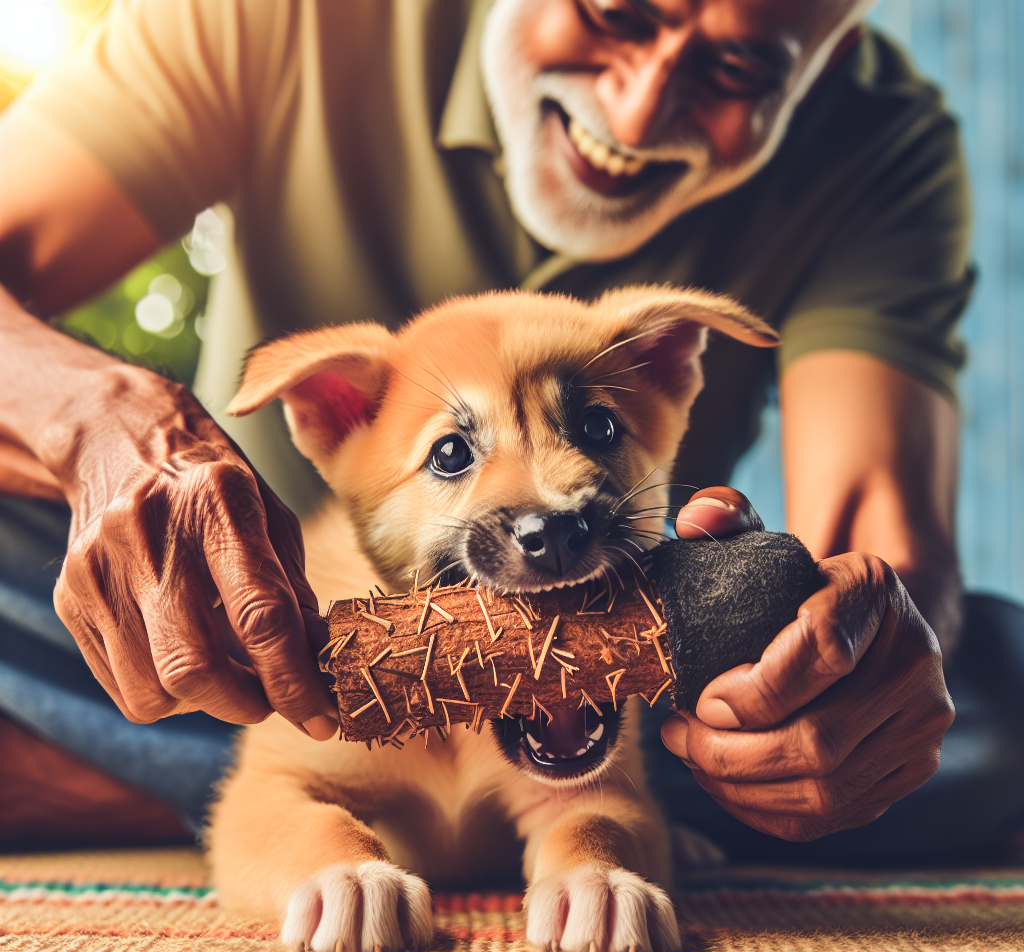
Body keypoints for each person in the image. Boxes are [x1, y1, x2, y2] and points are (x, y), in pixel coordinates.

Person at [0, 0, 1020, 861]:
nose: (637, 107)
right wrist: (99, 421)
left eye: (740, 65)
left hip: (637, 674)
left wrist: (851, 686)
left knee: (988, 693)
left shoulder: (881, 137)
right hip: (247, 632)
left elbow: (873, 534)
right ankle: (309, 785)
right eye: (614, 11)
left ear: (828, 53)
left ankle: (250, 793)